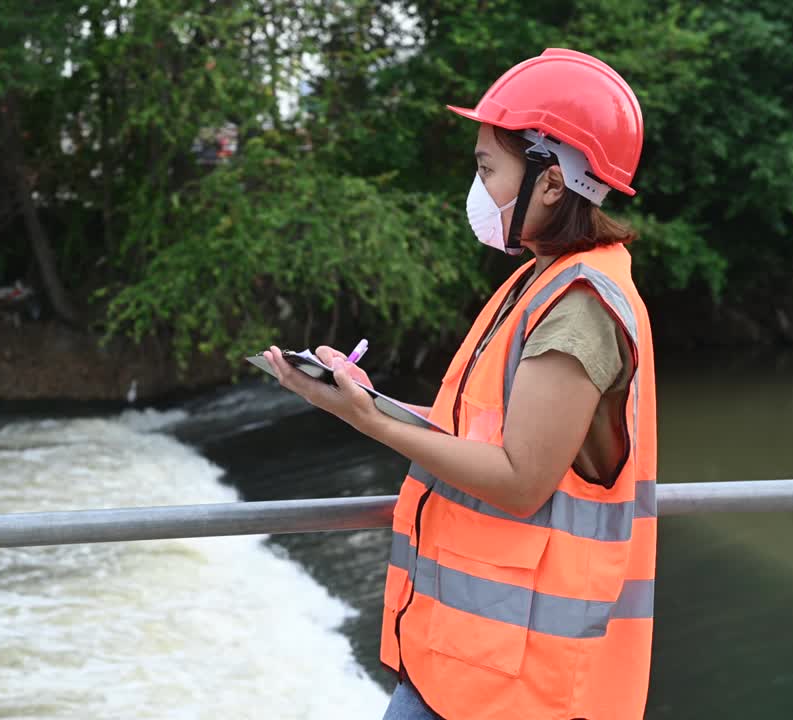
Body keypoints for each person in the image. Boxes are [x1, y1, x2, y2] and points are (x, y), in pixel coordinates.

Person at [261, 48, 657, 720]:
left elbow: (520, 477)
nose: (477, 186)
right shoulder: (544, 279)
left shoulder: (580, 304)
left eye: (486, 167)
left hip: (520, 684)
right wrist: (369, 398)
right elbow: (485, 428)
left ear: (553, 182)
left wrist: (371, 423)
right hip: (471, 664)